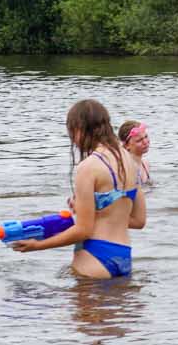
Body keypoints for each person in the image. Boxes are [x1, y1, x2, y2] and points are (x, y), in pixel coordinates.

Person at [11, 99, 145, 279]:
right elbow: (139, 220)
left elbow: (83, 230)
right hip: (123, 255)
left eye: (72, 133)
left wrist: (37, 246)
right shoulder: (130, 161)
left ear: (80, 129)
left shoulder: (88, 167)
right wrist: (89, 210)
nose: (73, 140)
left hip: (94, 255)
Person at [118, 120, 152, 189]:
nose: (145, 142)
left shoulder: (145, 164)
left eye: (146, 137)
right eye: (139, 140)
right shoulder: (125, 168)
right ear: (127, 145)